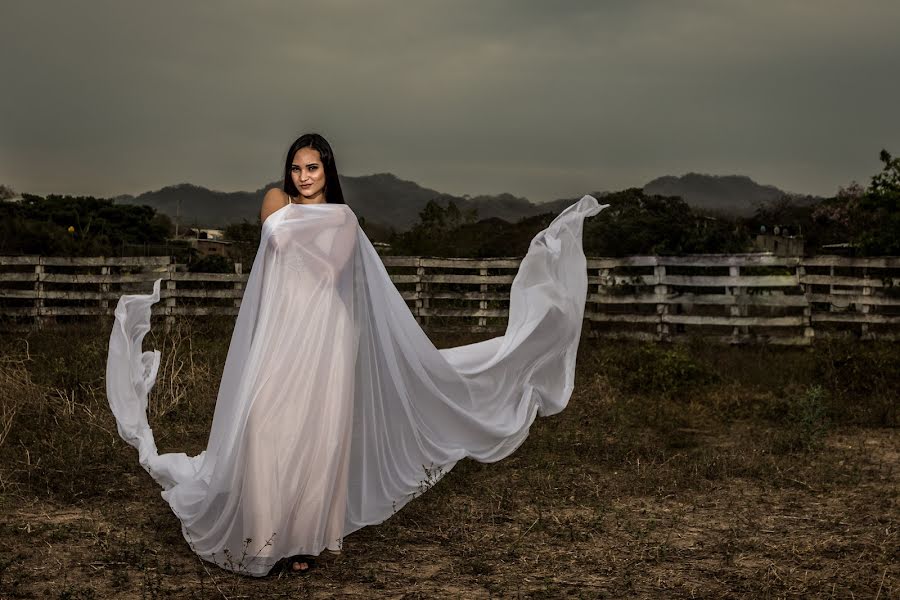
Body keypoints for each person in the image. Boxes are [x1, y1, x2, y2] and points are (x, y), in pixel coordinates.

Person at [106, 132, 608, 577]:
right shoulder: (275, 200)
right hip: (281, 331)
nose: (302, 177)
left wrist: (317, 228)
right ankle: (262, 537)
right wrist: (305, 225)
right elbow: (276, 236)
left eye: (313, 168)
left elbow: (332, 269)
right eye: (297, 168)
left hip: (328, 330)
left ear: (328, 171)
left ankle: (303, 541)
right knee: (265, 428)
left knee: (319, 434)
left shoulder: (344, 219)